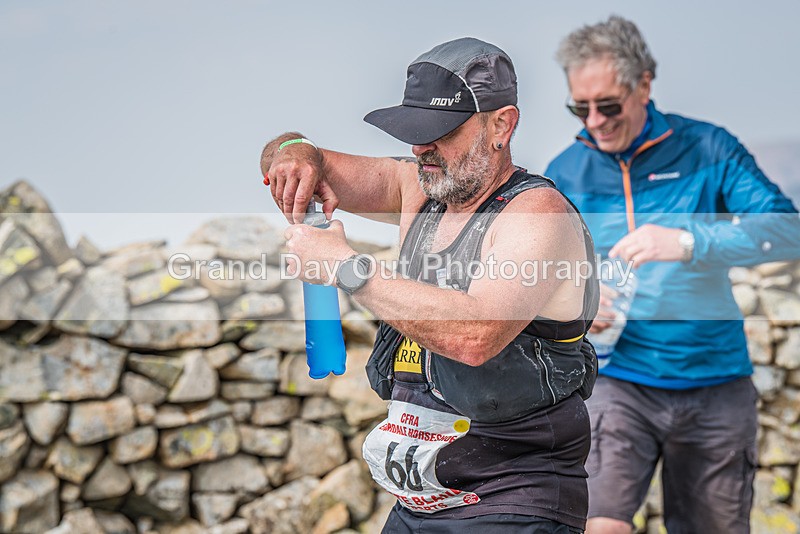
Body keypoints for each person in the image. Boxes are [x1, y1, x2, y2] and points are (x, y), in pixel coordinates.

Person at [261, 38, 599, 533]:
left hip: (512, 504)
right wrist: (292, 154)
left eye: (438, 131)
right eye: (413, 132)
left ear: (501, 125)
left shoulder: (537, 215)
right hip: (419, 509)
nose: (420, 148)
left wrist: (348, 268)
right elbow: (302, 156)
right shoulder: (416, 189)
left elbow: (475, 334)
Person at [545, 15, 800, 534]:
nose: (593, 120)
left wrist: (688, 243)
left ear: (644, 84)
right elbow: (539, 271)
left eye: (608, 105)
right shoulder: (564, 170)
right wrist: (571, 306)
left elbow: (787, 230)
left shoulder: (708, 148)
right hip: (616, 383)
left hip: (715, 383)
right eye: (580, 106)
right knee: (597, 527)